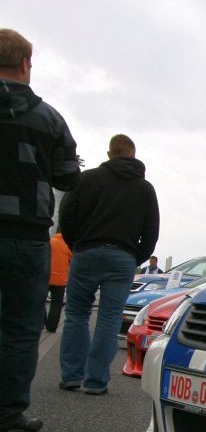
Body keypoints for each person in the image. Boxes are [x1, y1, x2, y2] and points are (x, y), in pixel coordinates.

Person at [0, 29, 80, 432]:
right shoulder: (49, 118)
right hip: (26, 236)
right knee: (20, 327)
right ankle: (7, 414)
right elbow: (68, 177)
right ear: (25, 63)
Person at [59, 134, 159, 395]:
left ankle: (71, 376)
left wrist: (76, 244)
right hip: (123, 256)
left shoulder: (86, 179)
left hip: (86, 251)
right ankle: (96, 381)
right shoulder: (144, 188)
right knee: (109, 317)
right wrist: (135, 257)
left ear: (109, 154)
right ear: (133, 154)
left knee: (76, 314)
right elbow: (151, 231)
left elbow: (66, 215)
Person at [45, 231, 72, 332]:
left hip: (46, 277)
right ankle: (51, 327)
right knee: (56, 304)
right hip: (60, 280)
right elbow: (71, 259)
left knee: (40, 301)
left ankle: (41, 322)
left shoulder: (50, 242)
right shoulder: (68, 245)